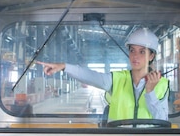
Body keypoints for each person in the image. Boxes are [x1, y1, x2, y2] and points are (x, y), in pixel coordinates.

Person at [37, 28, 169, 123]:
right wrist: (64, 66)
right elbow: (91, 76)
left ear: (151, 55)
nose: (135, 56)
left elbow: (162, 120)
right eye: (132, 50)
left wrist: (150, 92)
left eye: (142, 52)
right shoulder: (117, 79)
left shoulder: (161, 84)